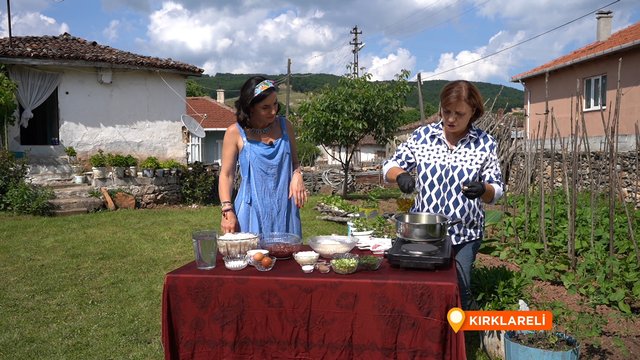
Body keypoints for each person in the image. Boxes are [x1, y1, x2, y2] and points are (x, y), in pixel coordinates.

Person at [383, 80, 504, 310]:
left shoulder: (485, 144)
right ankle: (425, 331)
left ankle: (461, 340)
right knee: (422, 286)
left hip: (465, 232)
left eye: (459, 113)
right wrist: (400, 175)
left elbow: (496, 190)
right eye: (446, 111)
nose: (450, 119)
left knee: (460, 286)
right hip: (423, 232)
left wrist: (483, 189)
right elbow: (389, 166)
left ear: (473, 113)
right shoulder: (423, 136)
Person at [218, 76, 306, 237]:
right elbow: (226, 175)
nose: (273, 111)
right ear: (250, 108)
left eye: (275, 104)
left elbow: (295, 163)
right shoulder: (235, 132)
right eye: (265, 107)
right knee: (252, 259)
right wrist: (227, 210)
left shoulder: (286, 127)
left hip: (285, 210)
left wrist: (298, 175)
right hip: (251, 212)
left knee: (288, 260)